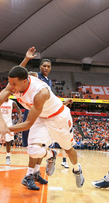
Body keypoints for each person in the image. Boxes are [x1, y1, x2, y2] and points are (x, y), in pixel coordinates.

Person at [0, 66, 84, 191]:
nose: (11, 86)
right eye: (10, 83)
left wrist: (5, 129)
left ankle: (77, 169)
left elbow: (28, 124)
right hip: (41, 117)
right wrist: (2, 126)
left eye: (14, 84)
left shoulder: (40, 92)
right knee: (33, 150)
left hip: (58, 117)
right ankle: (51, 154)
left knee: (68, 149)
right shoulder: (14, 84)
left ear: (25, 81)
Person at [20, 47, 71, 176]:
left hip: (42, 115)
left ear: (50, 68)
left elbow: (49, 101)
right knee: (32, 147)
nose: (46, 68)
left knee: (41, 145)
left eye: (48, 66)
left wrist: (63, 104)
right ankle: (30, 174)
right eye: (44, 66)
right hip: (32, 112)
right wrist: (26, 58)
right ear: (40, 66)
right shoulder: (36, 75)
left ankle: (35, 173)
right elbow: (21, 74)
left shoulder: (49, 82)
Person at [0, 98, 22, 165]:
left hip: (8, 124)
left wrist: (18, 122)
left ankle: (8, 157)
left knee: (8, 142)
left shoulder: (12, 102)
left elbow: (19, 112)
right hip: (0, 123)